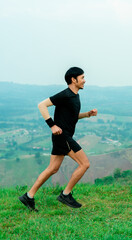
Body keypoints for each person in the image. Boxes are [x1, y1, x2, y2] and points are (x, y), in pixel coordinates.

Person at [19, 67, 97, 211]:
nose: (85, 80)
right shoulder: (65, 94)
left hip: (62, 137)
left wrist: (87, 114)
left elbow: (72, 116)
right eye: (82, 77)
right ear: (73, 80)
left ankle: (28, 196)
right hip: (63, 136)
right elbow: (41, 105)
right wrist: (52, 125)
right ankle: (65, 194)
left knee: (53, 169)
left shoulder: (74, 95)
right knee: (84, 164)